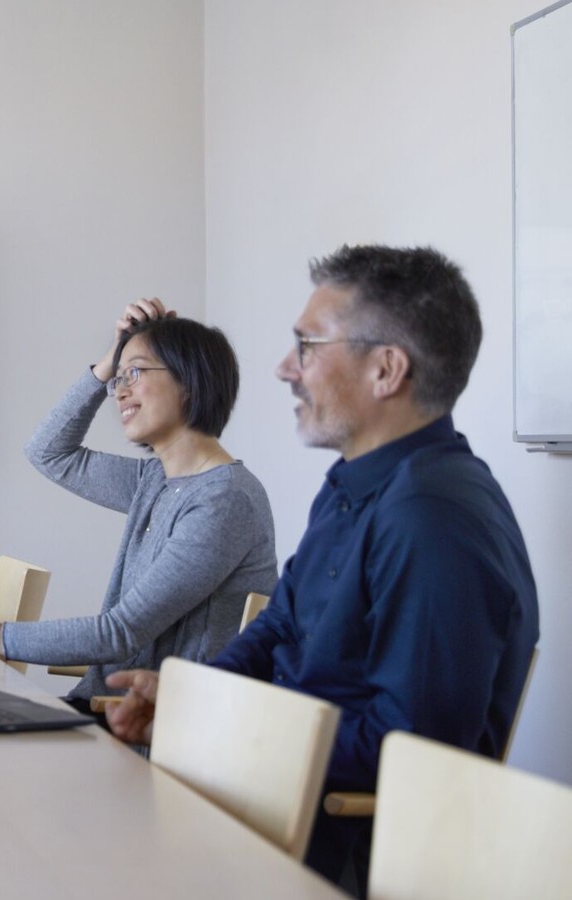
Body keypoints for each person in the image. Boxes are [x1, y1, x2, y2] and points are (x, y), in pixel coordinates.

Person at [105, 246, 539, 893]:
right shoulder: (352, 484)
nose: (285, 368)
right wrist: (189, 696)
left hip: (330, 853)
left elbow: (409, 755)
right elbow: (278, 627)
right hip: (271, 806)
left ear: (386, 370)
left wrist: (215, 725)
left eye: (306, 346)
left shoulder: (432, 518)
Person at [0, 302, 277, 717]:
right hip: (108, 711)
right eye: (118, 379)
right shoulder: (155, 480)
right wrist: (110, 360)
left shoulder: (224, 500)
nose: (119, 391)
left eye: (135, 373)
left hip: (150, 734)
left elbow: (120, 632)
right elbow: (48, 452)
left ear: (190, 381)